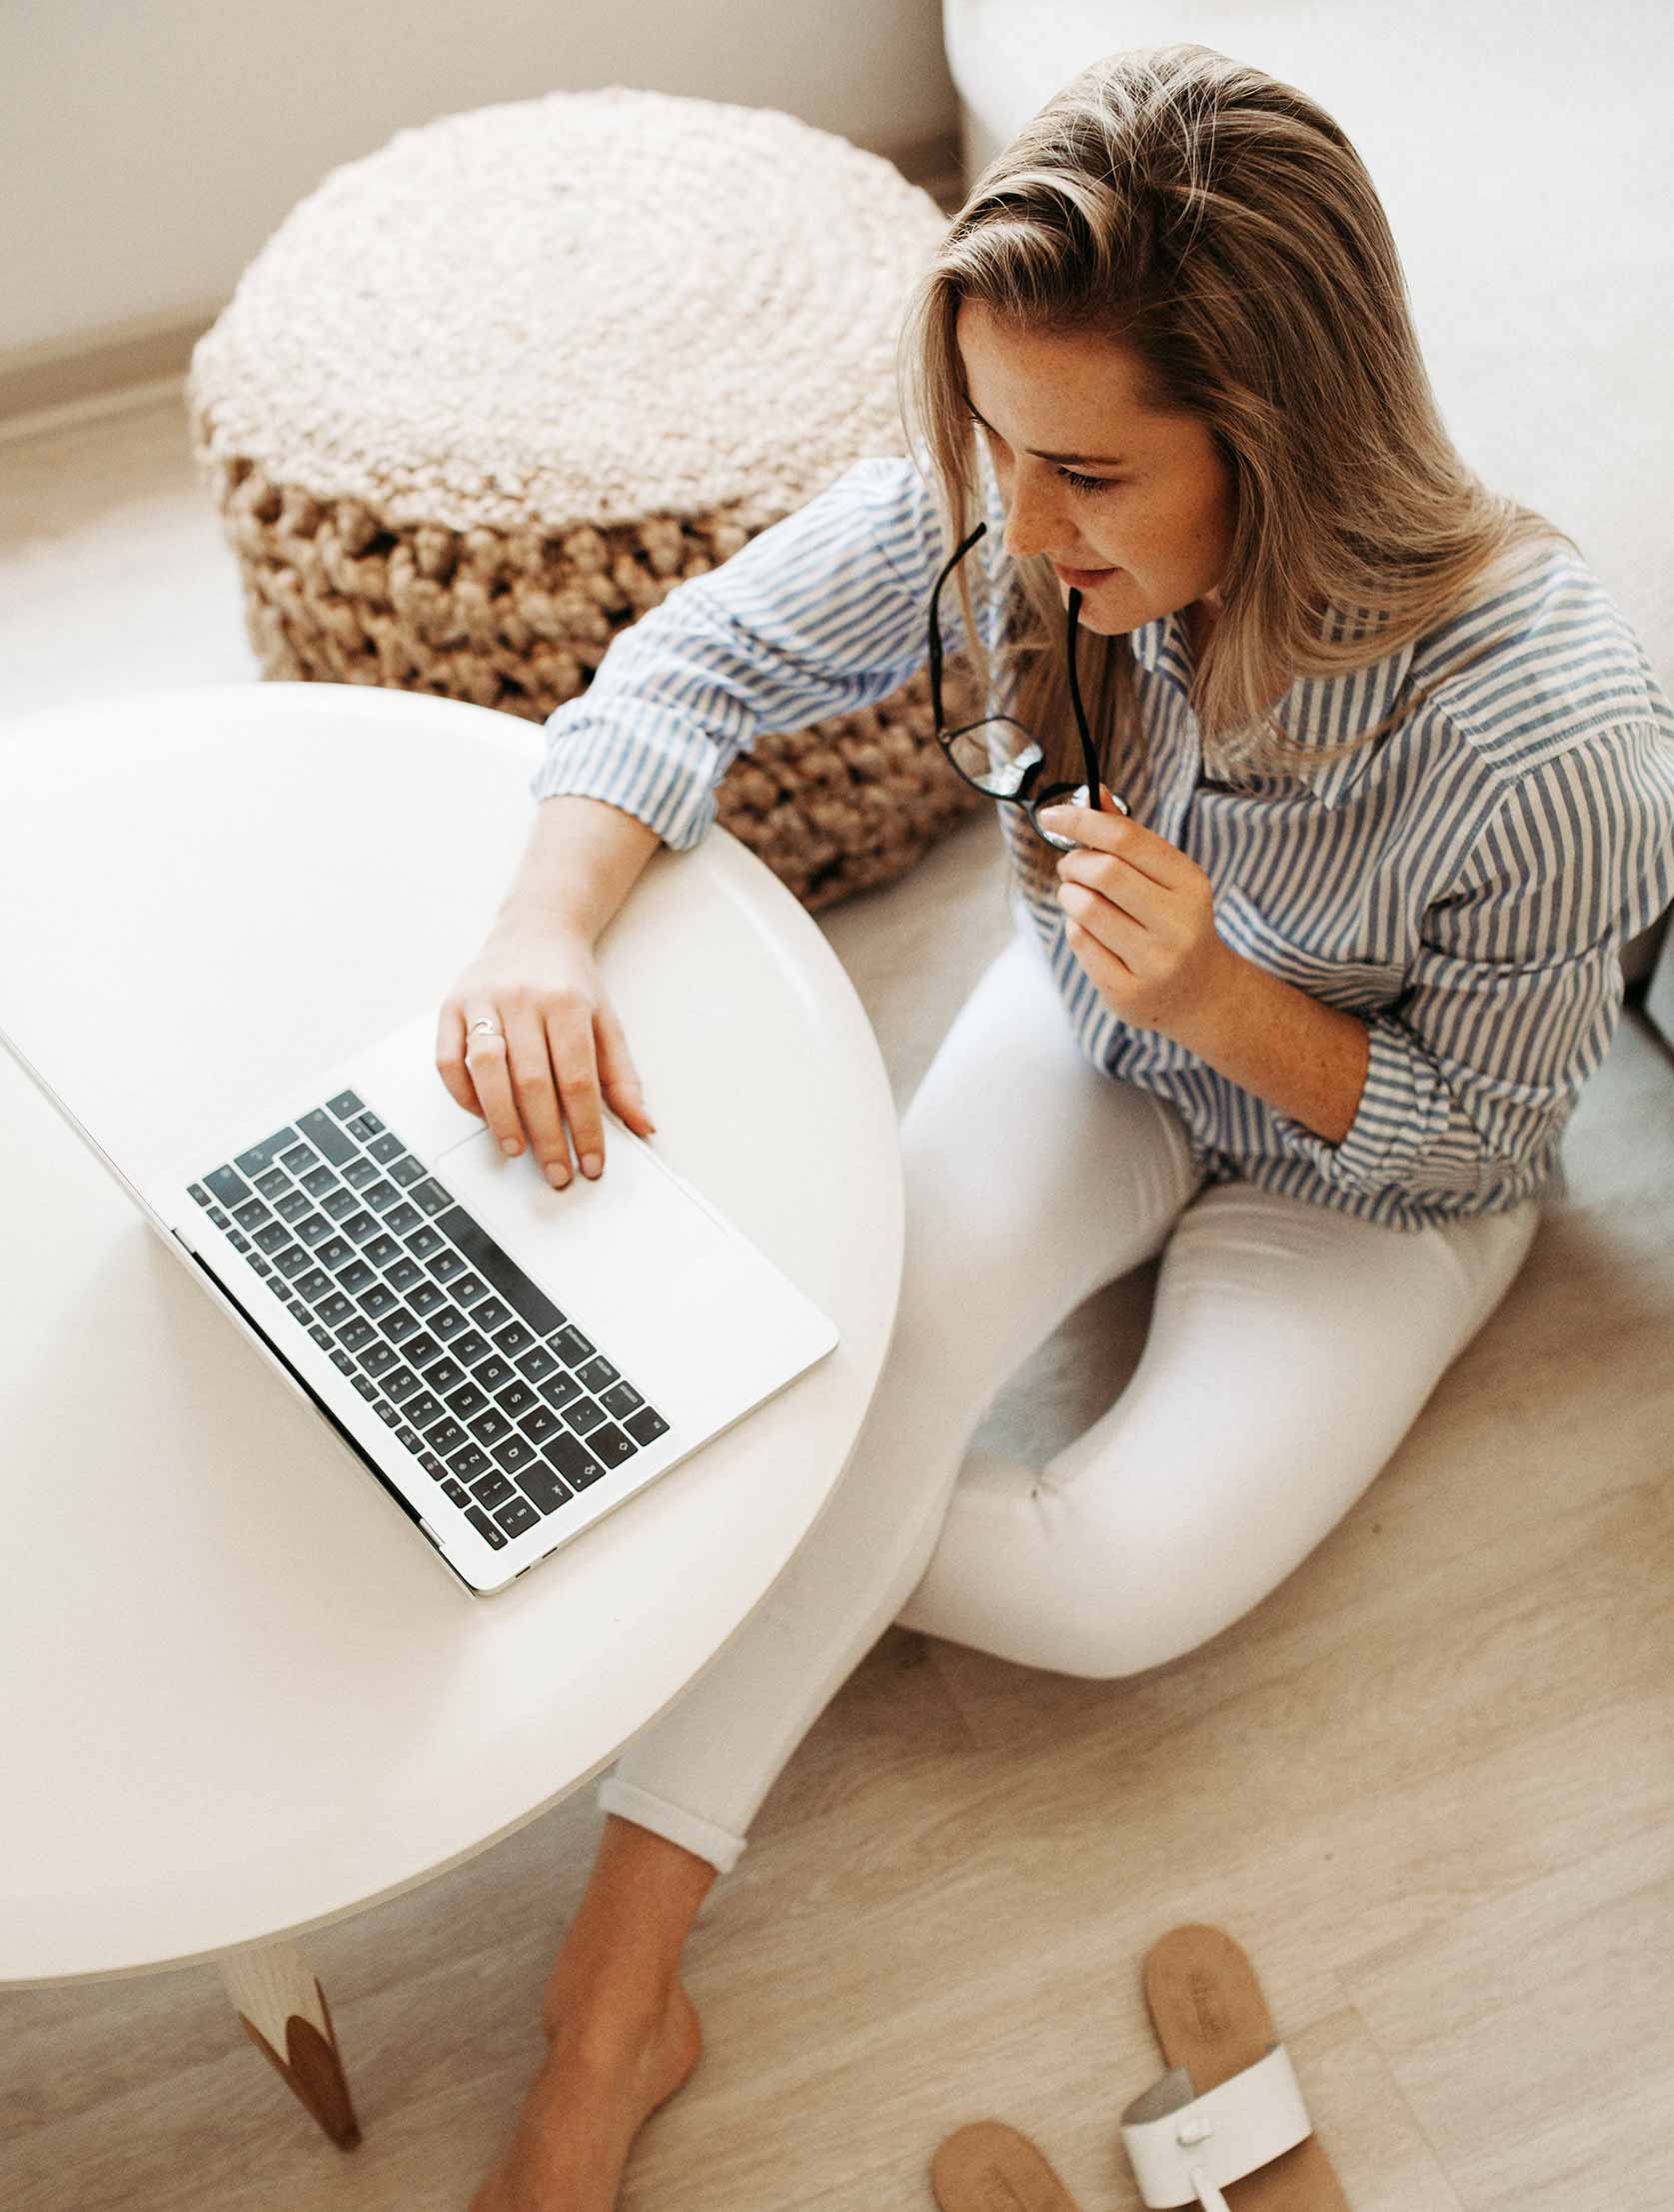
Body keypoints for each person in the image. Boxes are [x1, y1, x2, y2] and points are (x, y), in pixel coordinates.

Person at [449, 44, 1674, 2212]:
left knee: (1099, 1587)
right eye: (996, 449)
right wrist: (541, 934)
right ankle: (610, 2006)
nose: (1017, 525)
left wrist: (1224, 996)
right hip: (1093, 1048)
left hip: (1368, 1184)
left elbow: (1490, 1145)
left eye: (1089, 474)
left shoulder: (1555, 741)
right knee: (869, 1377)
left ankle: (713, 1458)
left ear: (1273, 449)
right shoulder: (1007, 500)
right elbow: (682, 673)